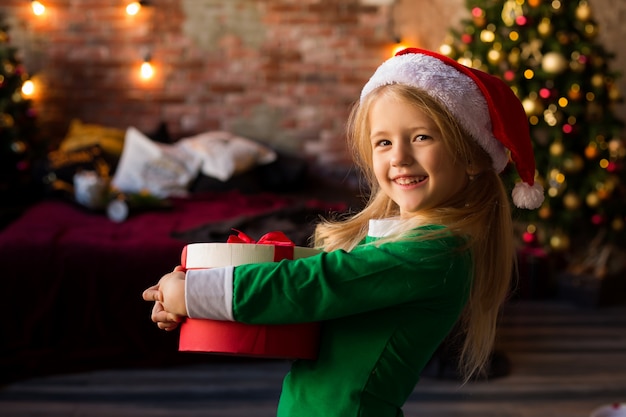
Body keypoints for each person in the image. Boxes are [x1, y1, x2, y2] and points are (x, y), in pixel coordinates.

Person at [142, 47, 544, 417]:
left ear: (472, 158)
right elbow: (305, 310)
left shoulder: (434, 251)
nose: (399, 157)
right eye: (383, 142)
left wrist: (194, 293)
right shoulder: (397, 241)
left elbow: (315, 285)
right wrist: (189, 301)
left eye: (421, 137)